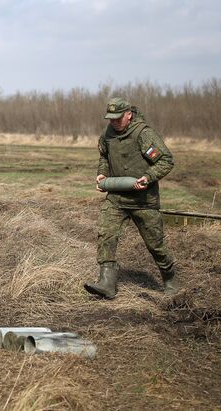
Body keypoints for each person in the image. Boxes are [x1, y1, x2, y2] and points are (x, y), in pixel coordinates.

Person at [84, 97, 177, 299]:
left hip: (143, 200)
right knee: (106, 234)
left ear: (129, 114)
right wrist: (102, 173)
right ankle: (107, 283)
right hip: (116, 198)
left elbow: (166, 160)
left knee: (156, 245)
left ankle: (170, 281)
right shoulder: (108, 135)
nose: (114, 122)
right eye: (111, 119)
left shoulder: (143, 134)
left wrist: (148, 177)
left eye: (118, 118)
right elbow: (104, 156)